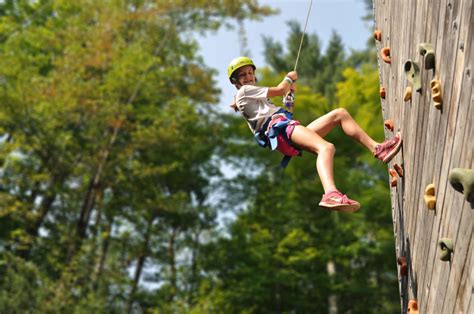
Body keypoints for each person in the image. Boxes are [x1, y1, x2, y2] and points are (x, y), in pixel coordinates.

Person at [228, 56, 402, 212]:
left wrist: (288, 100)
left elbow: (285, 111)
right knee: (326, 148)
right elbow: (280, 89)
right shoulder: (243, 92)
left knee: (340, 114)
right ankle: (330, 193)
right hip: (282, 130)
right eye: (242, 75)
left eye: (250, 72)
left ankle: (377, 148)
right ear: (236, 81)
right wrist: (289, 78)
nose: (248, 77)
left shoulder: (256, 96)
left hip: (285, 129)